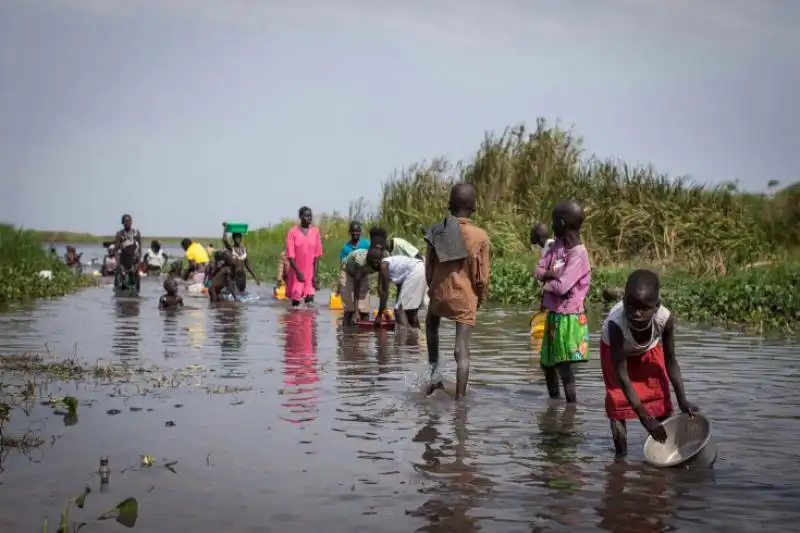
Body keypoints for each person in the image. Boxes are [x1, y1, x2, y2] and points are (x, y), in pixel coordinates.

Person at [601, 269, 698, 456]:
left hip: (648, 348)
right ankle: (620, 459)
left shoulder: (664, 319)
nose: (636, 313)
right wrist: (645, 418)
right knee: (619, 401)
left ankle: (664, 453)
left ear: (656, 306)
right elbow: (622, 375)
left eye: (644, 308)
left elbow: (671, 361)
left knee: (659, 394)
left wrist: (682, 399)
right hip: (615, 349)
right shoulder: (616, 325)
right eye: (630, 306)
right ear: (623, 301)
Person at [425, 183, 491, 400]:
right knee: (461, 349)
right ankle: (460, 400)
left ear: (448, 205)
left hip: (438, 293)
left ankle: (434, 379)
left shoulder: (437, 230)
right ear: (474, 207)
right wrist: (479, 298)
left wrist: (433, 288)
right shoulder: (480, 236)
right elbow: (481, 276)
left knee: (431, 326)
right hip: (464, 297)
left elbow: (429, 268)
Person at [533, 200, 592, 404]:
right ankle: (555, 403)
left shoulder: (579, 254)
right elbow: (537, 271)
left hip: (570, 318)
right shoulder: (556, 247)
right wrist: (551, 274)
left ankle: (571, 407)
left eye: (553, 222)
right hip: (554, 315)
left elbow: (562, 286)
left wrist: (546, 283)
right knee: (547, 365)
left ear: (562, 223)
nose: (552, 226)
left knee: (564, 367)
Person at [367, 246, 427, 328]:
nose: (372, 268)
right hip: (423, 268)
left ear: (376, 261)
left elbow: (384, 292)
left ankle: (403, 336)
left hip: (415, 272)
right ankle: (415, 335)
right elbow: (400, 288)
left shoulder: (384, 266)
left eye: (371, 264)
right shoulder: (393, 263)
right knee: (411, 311)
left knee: (399, 311)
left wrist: (379, 315)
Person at [285, 206, 323, 307]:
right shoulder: (292, 232)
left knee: (310, 305)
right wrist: (298, 273)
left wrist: (315, 274)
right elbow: (290, 256)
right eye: (306, 216)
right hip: (297, 273)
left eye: (310, 216)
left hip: (310, 274)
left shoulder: (315, 232)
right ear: (300, 217)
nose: (309, 218)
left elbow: (317, 255)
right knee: (295, 305)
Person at [338, 247, 376, 325]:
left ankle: (363, 331)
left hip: (363, 271)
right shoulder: (360, 261)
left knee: (364, 308)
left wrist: (381, 312)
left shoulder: (384, 261)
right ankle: (347, 330)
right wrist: (355, 312)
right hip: (347, 270)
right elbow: (356, 287)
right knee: (349, 308)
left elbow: (383, 286)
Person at [222, 226, 260, 294]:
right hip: (234, 275)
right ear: (233, 238)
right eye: (236, 237)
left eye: (239, 237)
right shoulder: (232, 249)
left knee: (242, 293)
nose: (238, 239)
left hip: (242, 276)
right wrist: (225, 229)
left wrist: (255, 277)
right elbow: (224, 240)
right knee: (235, 293)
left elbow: (248, 265)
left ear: (241, 238)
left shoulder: (244, 249)